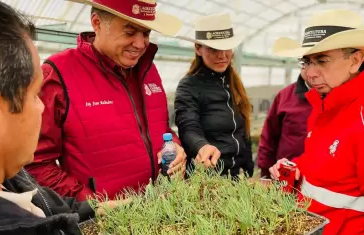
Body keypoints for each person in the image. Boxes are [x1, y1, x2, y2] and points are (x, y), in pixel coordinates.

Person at [269, 10, 364, 235]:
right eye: (306, 61)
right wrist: (297, 170)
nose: (310, 73)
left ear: (355, 60)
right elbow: (329, 164)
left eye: (322, 60)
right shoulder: (327, 102)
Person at [0, 1, 127, 235]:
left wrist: (98, 206)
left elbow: (48, 202)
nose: (42, 107)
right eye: (34, 95)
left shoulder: (10, 177)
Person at [25, 0, 187, 201]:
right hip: (102, 223)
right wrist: (92, 204)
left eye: (146, 33)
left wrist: (175, 146)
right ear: (97, 23)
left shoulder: (148, 70)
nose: (140, 44)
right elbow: (35, 163)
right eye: (129, 32)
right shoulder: (59, 74)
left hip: (159, 208)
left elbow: (160, 127)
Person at [174, 14, 254, 178]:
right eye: (214, 48)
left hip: (236, 178)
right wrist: (202, 146)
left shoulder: (234, 83)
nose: (223, 55)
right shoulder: (189, 85)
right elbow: (188, 126)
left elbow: (242, 132)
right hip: (207, 178)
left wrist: (248, 167)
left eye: (227, 48)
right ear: (198, 48)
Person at [257, 66, 312, 178]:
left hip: (320, 179)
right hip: (286, 176)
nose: (310, 67)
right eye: (306, 61)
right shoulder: (284, 96)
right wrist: (265, 173)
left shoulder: (335, 97)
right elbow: (269, 137)